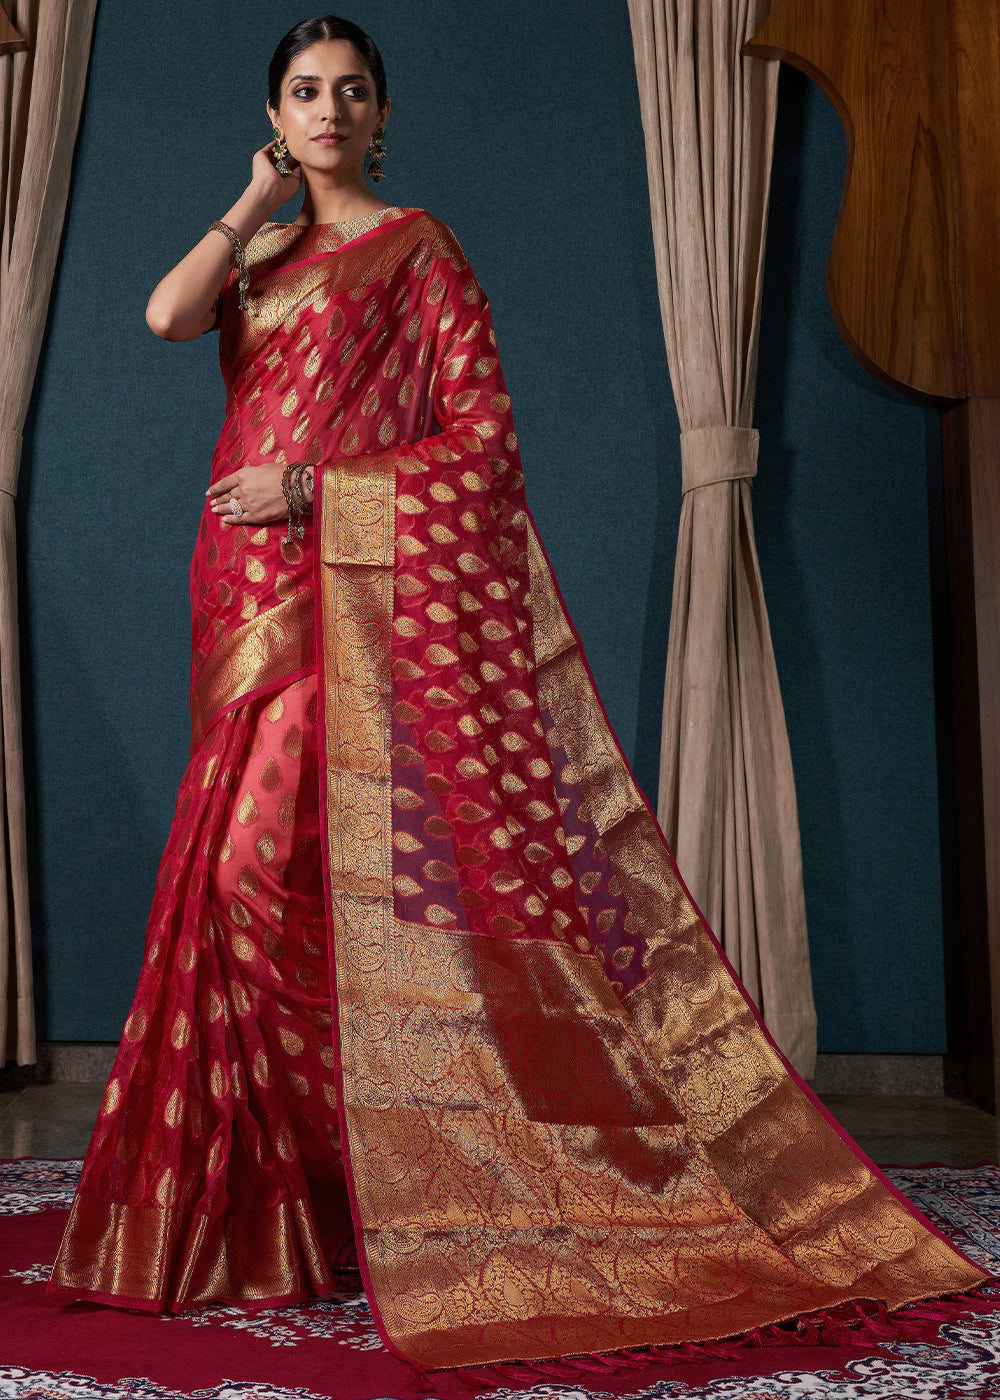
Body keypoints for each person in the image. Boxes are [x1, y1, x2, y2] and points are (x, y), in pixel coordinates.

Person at [48, 13, 988, 1376]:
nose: (329, 111)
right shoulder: (256, 256)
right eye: (305, 92)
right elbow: (164, 315)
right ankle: (314, 1201)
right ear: (277, 116)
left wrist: (310, 487)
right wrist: (249, 203)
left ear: (384, 115)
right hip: (238, 600)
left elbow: (481, 447)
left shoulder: (419, 251)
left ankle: (417, 1168)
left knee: (303, 885)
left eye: (352, 92)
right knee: (253, 894)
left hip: (350, 596)